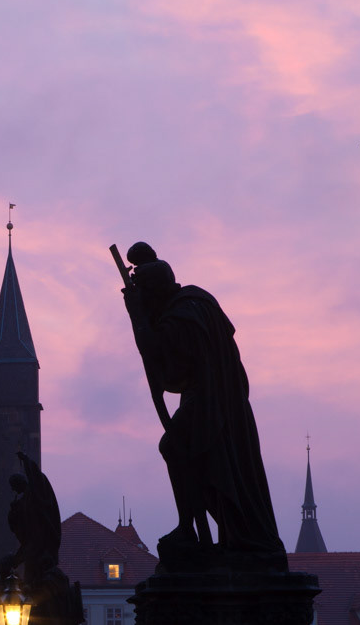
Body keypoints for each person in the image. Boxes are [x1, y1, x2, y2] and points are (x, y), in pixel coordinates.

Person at [121, 242, 285, 568]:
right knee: (196, 457)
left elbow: (169, 372)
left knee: (175, 447)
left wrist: (137, 317)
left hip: (211, 403)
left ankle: (189, 529)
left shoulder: (181, 317)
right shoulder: (196, 303)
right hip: (220, 401)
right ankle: (202, 530)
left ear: (154, 293)